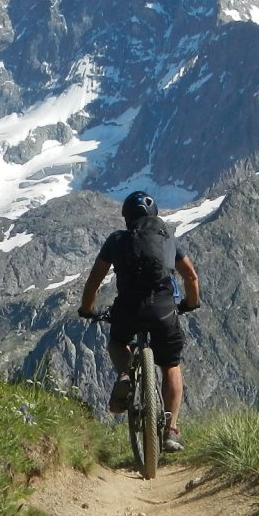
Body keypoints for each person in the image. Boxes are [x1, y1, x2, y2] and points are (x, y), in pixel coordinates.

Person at [78, 190, 201, 452]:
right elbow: (190, 276)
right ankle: (170, 430)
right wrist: (190, 303)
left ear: (126, 218)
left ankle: (126, 374)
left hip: (128, 307)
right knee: (171, 365)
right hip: (164, 308)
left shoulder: (117, 239)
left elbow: (94, 280)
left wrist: (87, 309)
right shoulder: (168, 238)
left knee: (117, 341)